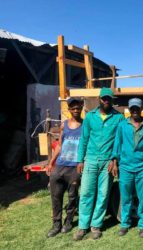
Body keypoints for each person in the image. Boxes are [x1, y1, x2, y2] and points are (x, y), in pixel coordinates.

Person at [73, 87, 124, 240]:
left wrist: (114, 160)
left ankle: (96, 225)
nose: (106, 101)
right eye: (104, 98)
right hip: (90, 160)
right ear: (100, 99)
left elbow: (119, 142)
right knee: (86, 193)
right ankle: (82, 226)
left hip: (107, 162)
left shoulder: (118, 118)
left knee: (103, 194)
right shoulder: (90, 117)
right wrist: (80, 160)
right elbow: (84, 139)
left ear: (112, 100)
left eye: (109, 99)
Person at [112, 98, 143, 237]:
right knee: (126, 197)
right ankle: (125, 224)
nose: (135, 110)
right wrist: (114, 161)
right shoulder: (123, 125)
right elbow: (117, 144)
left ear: (142, 109)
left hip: (142, 167)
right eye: (132, 108)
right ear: (129, 109)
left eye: (137, 108)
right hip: (125, 167)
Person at [46, 97, 83, 237]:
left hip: (74, 167)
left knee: (73, 196)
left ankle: (68, 222)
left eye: (77, 107)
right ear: (69, 110)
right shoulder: (64, 125)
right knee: (56, 196)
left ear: (81, 108)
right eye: (72, 108)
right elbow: (60, 145)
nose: (75, 110)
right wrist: (51, 163)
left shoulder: (85, 125)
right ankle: (56, 224)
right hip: (60, 165)